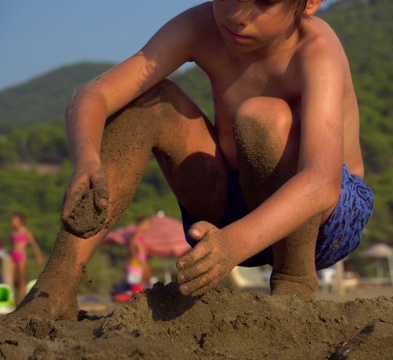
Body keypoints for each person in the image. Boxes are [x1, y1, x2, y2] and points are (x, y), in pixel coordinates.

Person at [10, 0, 373, 321]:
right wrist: (86, 159)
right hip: (230, 209)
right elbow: (95, 94)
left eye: (263, 1)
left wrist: (234, 243)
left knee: (263, 117)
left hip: (324, 220)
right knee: (150, 101)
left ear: (308, 3)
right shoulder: (202, 25)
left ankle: (293, 281)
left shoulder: (316, 50)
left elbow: (322, 182)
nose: (237, 14)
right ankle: (55, 287)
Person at [8, 212, 44, 304]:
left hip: (21, 256)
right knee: (12, 278)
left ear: (21, 221)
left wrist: (38, 256)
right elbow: (12, 245)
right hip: (13, 256)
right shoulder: (12, 232)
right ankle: (15, 297)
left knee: (21, 278)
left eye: (15, 220)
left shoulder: (25, 232)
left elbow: (34, 245)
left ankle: (21, 299)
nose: (12, 221)